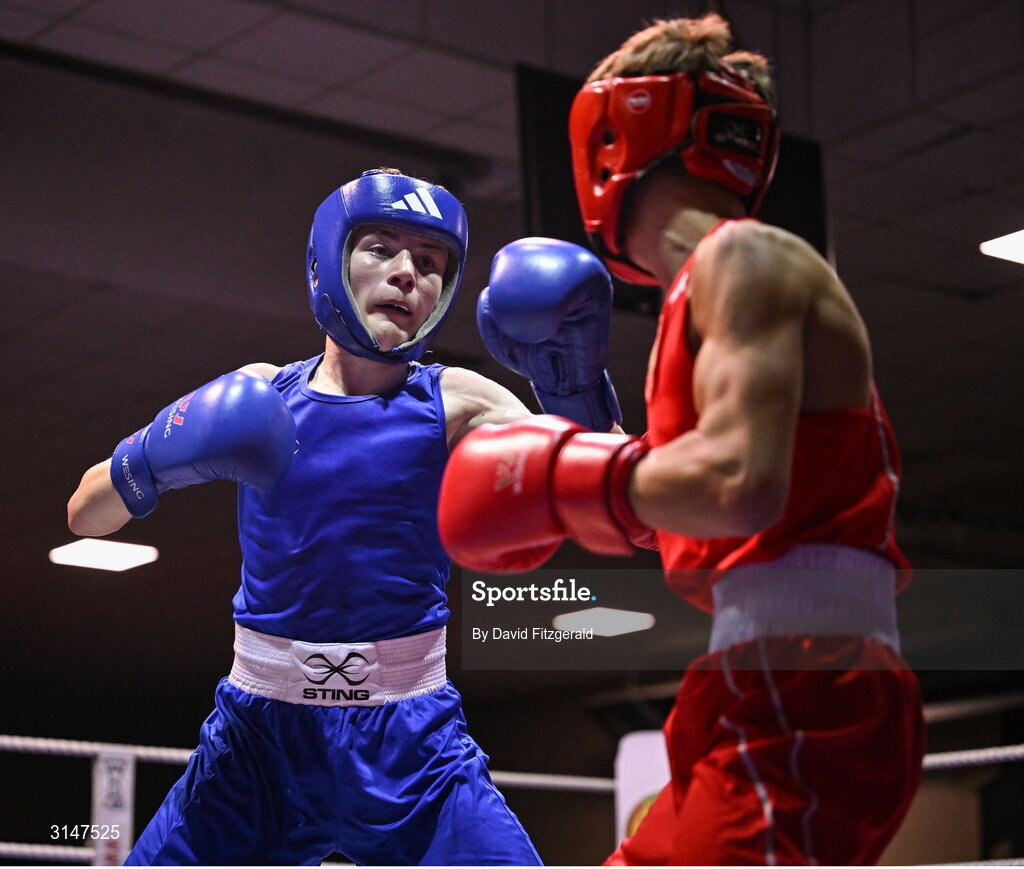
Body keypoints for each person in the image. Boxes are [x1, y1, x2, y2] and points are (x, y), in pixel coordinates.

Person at [438, 15, 925, 866]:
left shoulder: (745, 259)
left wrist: (555, 477)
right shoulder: (711, 288)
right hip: (760, 672)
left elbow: (741, 480)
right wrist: (574, 414)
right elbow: (692, 502)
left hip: (805, 680)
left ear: (616, 136)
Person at [66, 168, 548, 866]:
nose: (408, 273)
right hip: (258, 741)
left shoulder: (462, 400)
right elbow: (84, 513)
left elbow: (613, 494)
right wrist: (155, 456)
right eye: (381, 247)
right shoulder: (262, 394)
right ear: (329, 258)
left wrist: (575, 389)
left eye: (430, 261)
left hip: (411, 746)